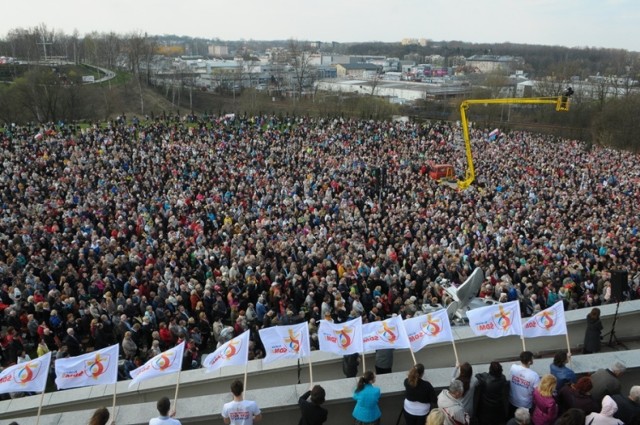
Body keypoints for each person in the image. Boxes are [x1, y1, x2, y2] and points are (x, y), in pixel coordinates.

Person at [474, 361, 510, 425]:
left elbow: (477, 375)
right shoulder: (503, 378)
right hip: (498, 408)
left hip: (486, 409)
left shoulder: (485, 379)